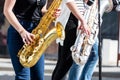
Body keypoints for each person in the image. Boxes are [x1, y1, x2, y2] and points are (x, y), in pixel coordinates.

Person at [3, 0, 61, 80]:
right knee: (23, 76)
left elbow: (42, 10)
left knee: (38, 77)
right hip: (19, 31)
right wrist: (22, 31)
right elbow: (7, 10)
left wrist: (51, 13)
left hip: (36, 33)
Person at [52, 0, 99, 80]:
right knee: (65, 63)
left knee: (63, 63)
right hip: (71, 21)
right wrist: (82, 20)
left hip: (78, 19)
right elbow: (69, 1)